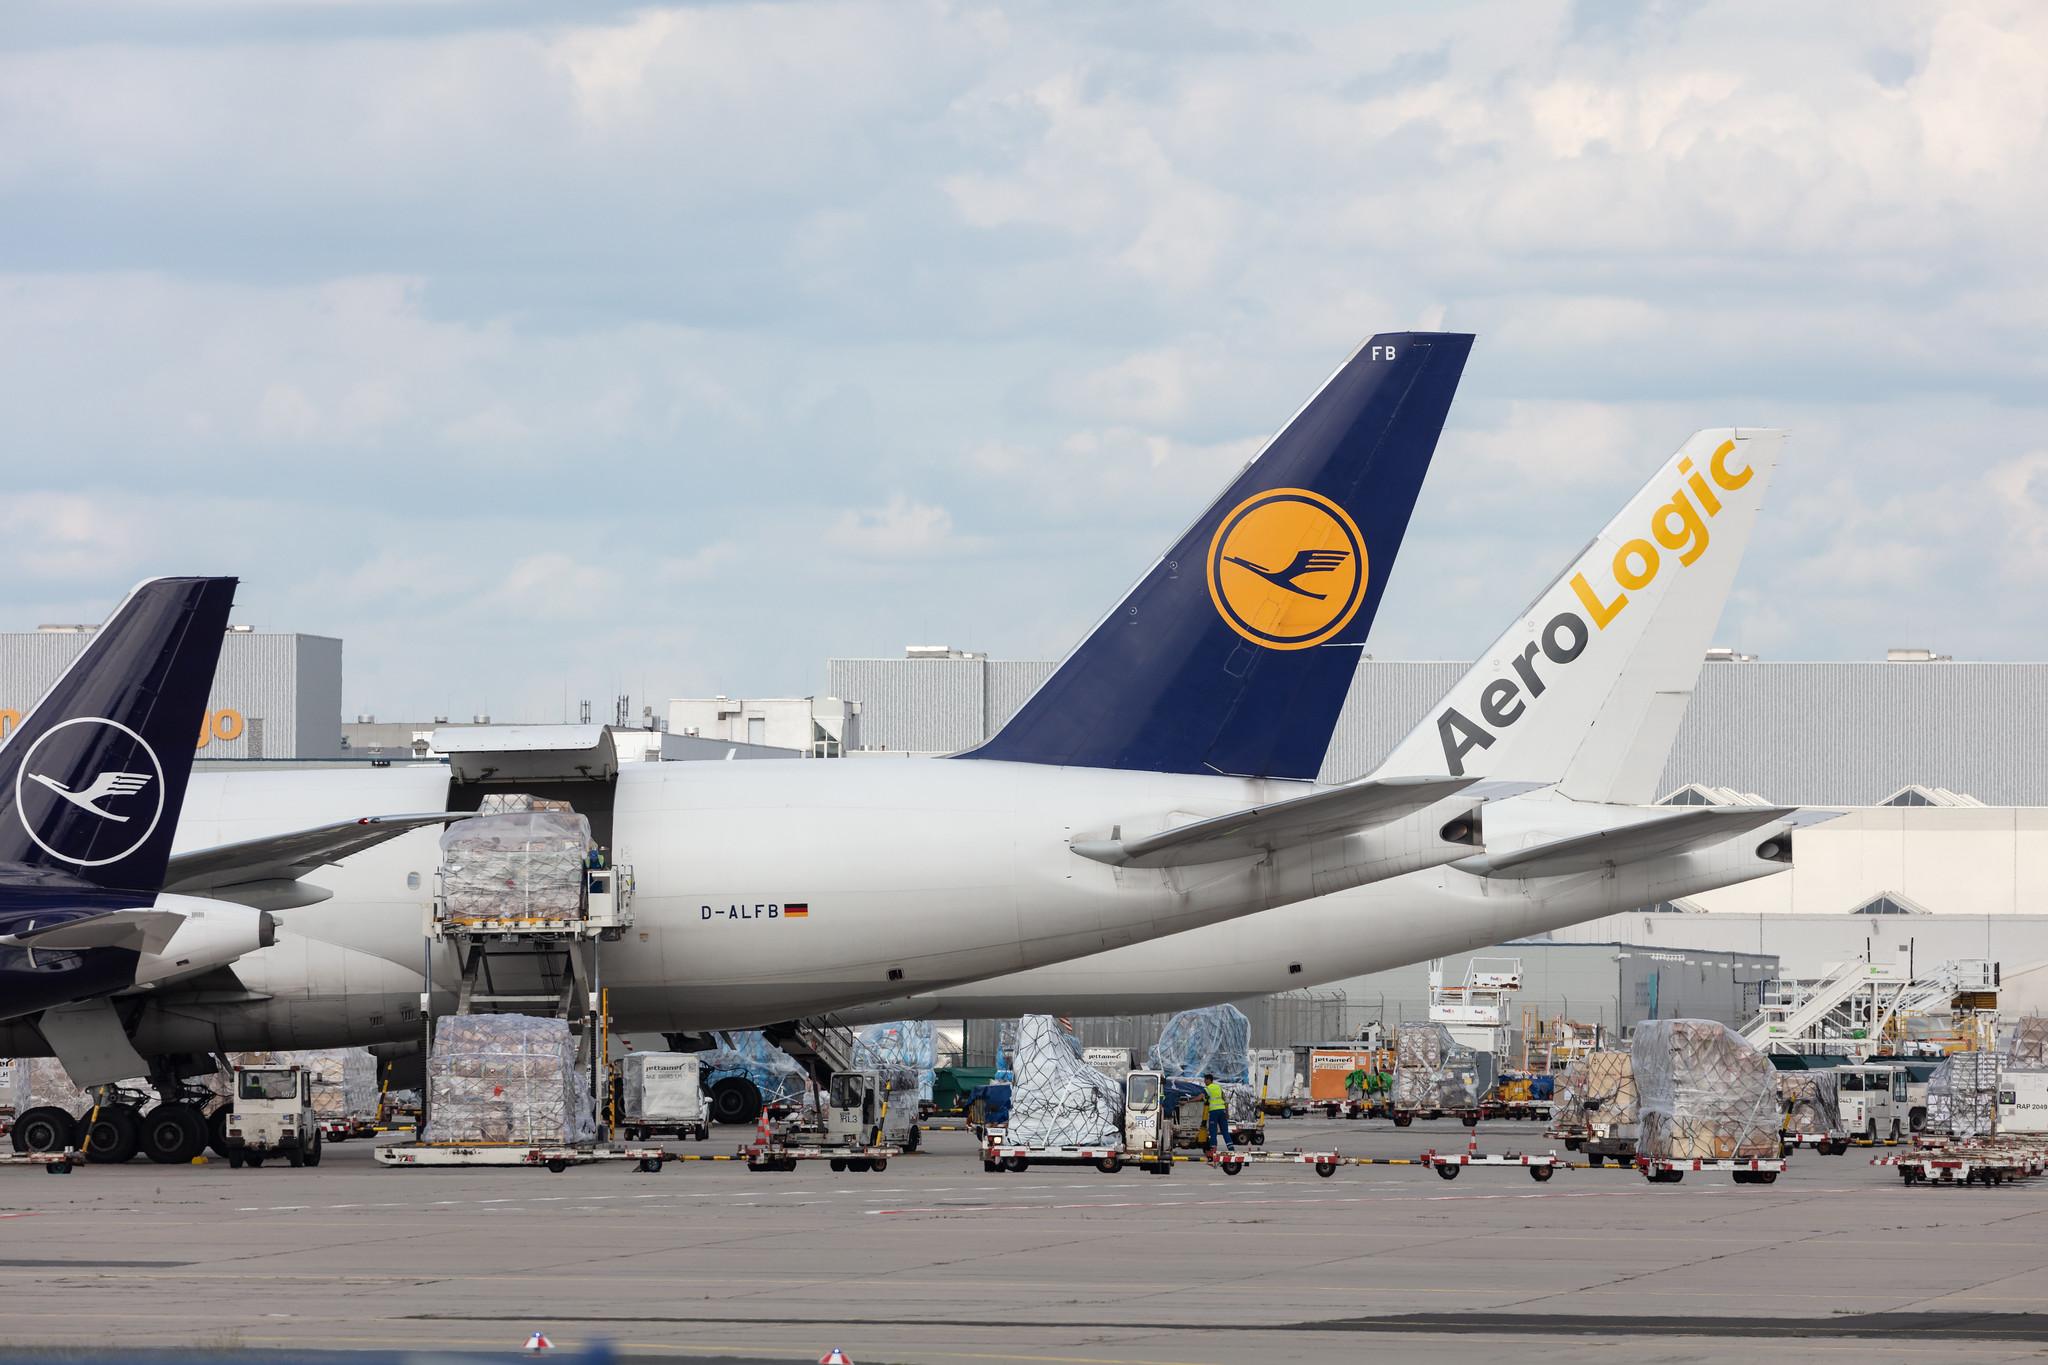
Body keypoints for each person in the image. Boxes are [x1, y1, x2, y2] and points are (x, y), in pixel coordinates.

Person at [1203, 1072, 1231, 1152]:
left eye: (1205, 1080)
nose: (1204, 1082)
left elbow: (1200, 1097)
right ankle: (1231, 1148)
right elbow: (1226, 1100)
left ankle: (1213, 1149)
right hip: (1222, 1111)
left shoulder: (1207, 1089)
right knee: (1225, 1131)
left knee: (1213, 1131)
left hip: (1214, 1112)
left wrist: (1188, 1101)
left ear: (1209, 1080)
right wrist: (1227, 1112)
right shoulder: (1219, 1087)